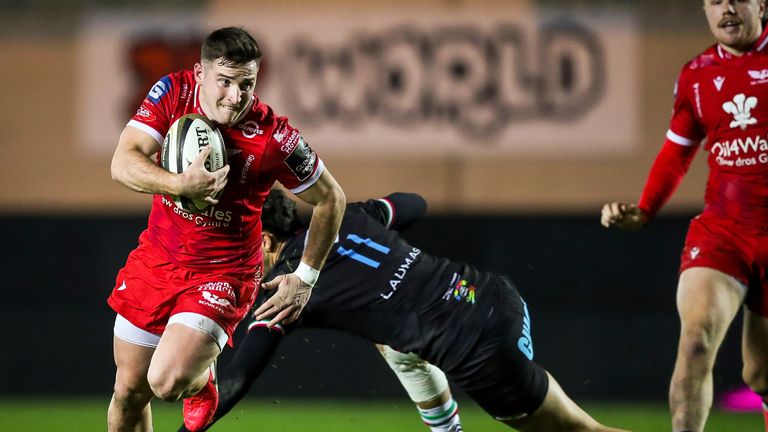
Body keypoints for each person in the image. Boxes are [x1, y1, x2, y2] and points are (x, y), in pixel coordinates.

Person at [182, 189, 631, 432]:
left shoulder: (288, 287)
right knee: (393, 338)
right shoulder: (349, 216)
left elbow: (237, 378)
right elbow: (415, 202)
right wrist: (374, 217)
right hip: (494, 296)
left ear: (263, 241)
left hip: (479, 348)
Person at [107, 26, 346, 432]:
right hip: (157, 259)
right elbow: (122, 163)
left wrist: (305, 277)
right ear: (200, 74)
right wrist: (179, 184)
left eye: (247, 85)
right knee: (129, 391)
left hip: (224, 271)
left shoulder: (274, 137)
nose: (236, 97)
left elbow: (331, 199)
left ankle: (203, 381)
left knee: (165, 382)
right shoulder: (171, 93)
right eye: (226, 82)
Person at [601, 1, 768, 431]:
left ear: (762, 5)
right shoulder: (697, 74)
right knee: (695, 342)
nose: (727, 9)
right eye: (715, 1)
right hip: (723, 231)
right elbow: (677, 150)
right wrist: (645, 211)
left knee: (762, 375)